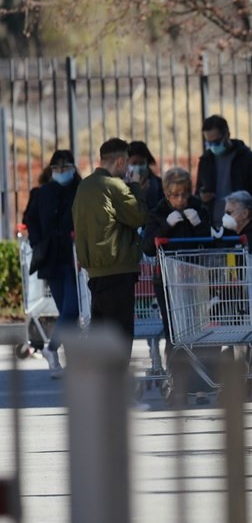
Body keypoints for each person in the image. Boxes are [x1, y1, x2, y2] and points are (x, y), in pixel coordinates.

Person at [71, 137, 149, 361]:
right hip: (118, 269)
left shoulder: (84, 186)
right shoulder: (115, 186)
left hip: (94, 271)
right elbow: (139, 216)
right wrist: (135, 186)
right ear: (122, 161)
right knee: (120, 337)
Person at [141, 168, 211, 354]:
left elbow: (211, 242)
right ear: (166, 193)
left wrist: (199, 224)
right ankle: (175, 372)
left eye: (184, 194)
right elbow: (147, 246)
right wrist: (166, 226)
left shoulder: (198, 210)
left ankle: (199, 371)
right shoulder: (157, 213)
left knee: (197, 325)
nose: (180, 199)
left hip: (194, 276)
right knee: (173, 327)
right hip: (166, 279)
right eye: (175, 195)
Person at [24, 150, 81, 378]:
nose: (60, 173)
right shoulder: (42, 193)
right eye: (56, 169)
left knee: (73, 309)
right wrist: (39, 242)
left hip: (74, 256)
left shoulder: (81, 189)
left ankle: (51, 348)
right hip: (51, 257)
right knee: (64, 309)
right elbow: (30, 220)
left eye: (65, 168)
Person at [196, 115, 252, 225]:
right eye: (209, 143)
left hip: (242, 227)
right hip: (213, 227)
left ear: (227, 135)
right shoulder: (206, 161)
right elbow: (198, 193)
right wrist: (202, 198)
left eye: (216, 142)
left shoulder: (248, 159)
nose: (212, 146)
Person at [127, 140, 166, 212]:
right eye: (134, 163)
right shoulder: (120, 183)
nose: (138, 166)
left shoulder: (157, 183)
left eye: (141, 163)